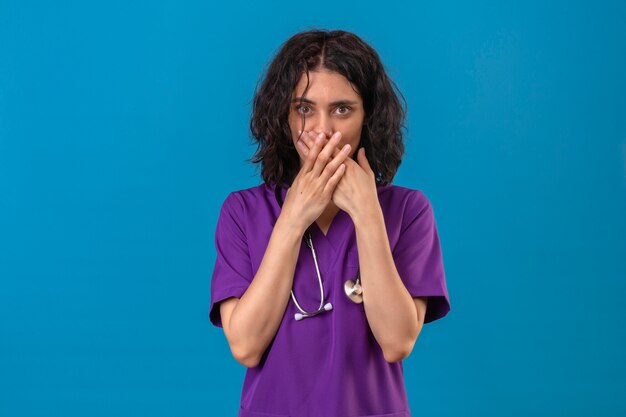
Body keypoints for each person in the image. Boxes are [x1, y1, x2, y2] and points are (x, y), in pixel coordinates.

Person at [208, 28, 451, 417]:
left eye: (342, 109)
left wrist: (368, 215)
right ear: (283, 116)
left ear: (368, 116)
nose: (323, 130)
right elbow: (246, 346)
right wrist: (293, 218)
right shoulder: (242, 212)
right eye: (304, 108)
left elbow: (397, 341)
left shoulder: (409, 211)